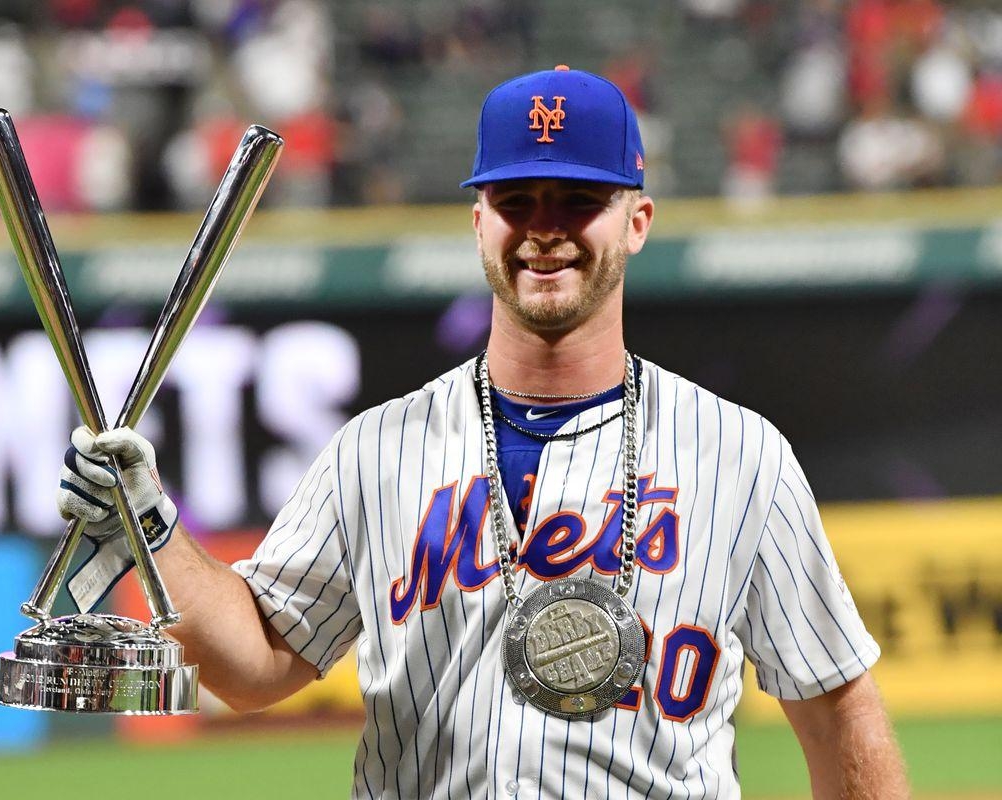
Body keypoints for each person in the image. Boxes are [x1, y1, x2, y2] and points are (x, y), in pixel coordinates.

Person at [58, 66, 908, 798]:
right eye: (515, 199)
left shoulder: (742, 455)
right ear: (477, 223)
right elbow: (254, 667)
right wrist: (152, 526)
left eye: (579, 199)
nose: (545, 226)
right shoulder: (375, 451)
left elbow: (837, 708)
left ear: (637, 222)